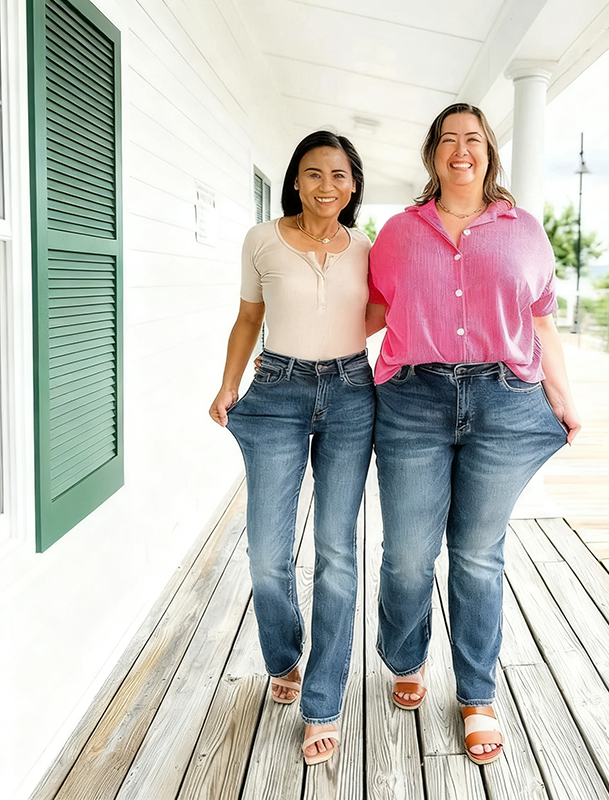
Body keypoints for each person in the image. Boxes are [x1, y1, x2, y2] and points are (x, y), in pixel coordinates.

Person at [367, 103, 581, 765]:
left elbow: (543, 326)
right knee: (406, 552)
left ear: (489, 153)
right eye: (449, 140)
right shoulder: (398, 233)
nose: (462, 150)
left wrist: (564, 399)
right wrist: (295, 351)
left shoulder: (525, 231)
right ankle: (405, 656)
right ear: (433, 155)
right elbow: (370, 311)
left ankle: (477, 694)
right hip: (412, 402)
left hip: (504, 400)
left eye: (474, 140)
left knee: (478, 554)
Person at [209, 131, 377, 765]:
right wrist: (229, 385)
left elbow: (388, 308)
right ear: (295, 180)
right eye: (313, 174)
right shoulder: (261, 239)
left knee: (337, 552)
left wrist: (334, 338)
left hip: (352, 391)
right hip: (275, 389)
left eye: (338, 175)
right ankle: (283, 655)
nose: (325, 186)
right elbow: (248, 319)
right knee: (267, 553)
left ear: (353, 185)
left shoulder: (368, 246)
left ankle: (324, 699)